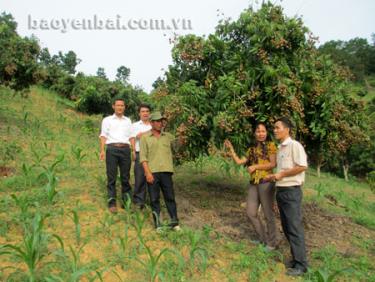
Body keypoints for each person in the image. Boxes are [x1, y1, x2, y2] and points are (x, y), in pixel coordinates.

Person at [265, 117, 308, 276]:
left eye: (277, 128)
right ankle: (296, 259)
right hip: (282, 190)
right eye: (274, 128)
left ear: (287, 129)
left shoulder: (294, 145)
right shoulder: (280, 148)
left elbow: (302, 166)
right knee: (286, 226)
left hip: (291, 191)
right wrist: (275, 177)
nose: (275, 130)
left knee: (294, 227)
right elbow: (281, 172)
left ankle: (301, 265)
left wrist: (282, 174)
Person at [224, 123, 279, 249]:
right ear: (255, 133)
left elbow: (272, 164)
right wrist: (231, 149)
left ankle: (272, 243)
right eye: (258, 131)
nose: (261, 133)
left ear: (266, 133)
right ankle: (263, 239)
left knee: (268, 214)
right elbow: (239, 161)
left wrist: (255, 166)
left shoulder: (271, 146)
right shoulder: (251, 149)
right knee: (250, 212)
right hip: (254, 184)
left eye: (263, 131)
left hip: (266, 182)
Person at [140, 112, 181, 232]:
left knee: (170, 197)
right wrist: (147, 173)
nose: (160, 123)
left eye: (161, 121)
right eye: (157, 121)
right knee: (154, 199)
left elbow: (178, 147)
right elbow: (143, 157)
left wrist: (182, 135)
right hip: (152, 172)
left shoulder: (168, 136)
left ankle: (174, 223)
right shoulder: (145, 137)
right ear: (151, 123)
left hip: (166, 172)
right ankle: (158, 224)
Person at [99, 98, 133, 214]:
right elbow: (103, 135)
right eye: (117, 105)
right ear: (113, 106)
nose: (120, 107)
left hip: (125, 150)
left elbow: (131, 136)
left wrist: (132, 150)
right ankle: (112, 203)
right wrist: (102, 150)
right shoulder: (107, 120)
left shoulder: (128, 121)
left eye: (122, 105)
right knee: (111, 177)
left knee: (125, 177)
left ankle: (126, 202)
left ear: (124, 107)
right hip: (112, 149)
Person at [130, 104, 152, 209]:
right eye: (143, 111)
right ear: (139, 113)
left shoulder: (154, 124)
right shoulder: (135, 125)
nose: (145, 113)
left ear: (150, 113)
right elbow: (134, 138)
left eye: (147, 111)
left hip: (153, 154)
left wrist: (144, 133)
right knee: (139, 178)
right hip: (139, 152)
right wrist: (133, 151)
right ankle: (139, 201)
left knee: (153, 177)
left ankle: (153, 199)